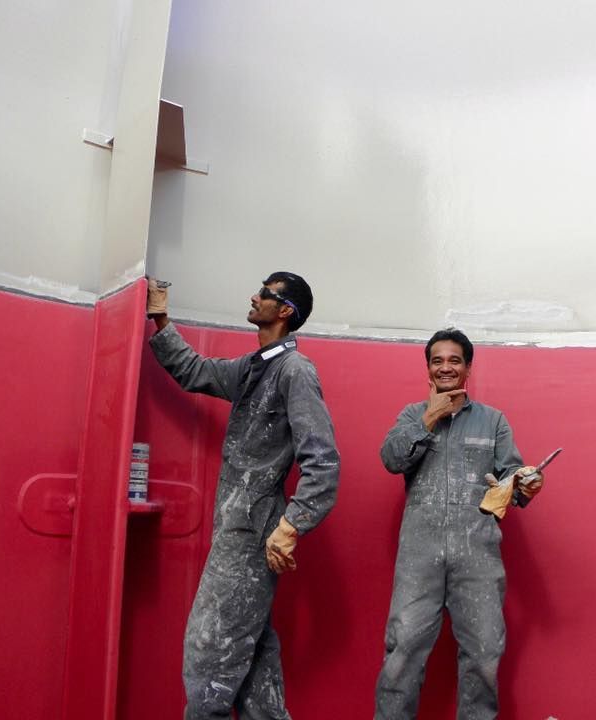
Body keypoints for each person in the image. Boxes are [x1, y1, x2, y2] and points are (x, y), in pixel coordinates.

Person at [146, 272, 340, 720]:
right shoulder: (256, 367)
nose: (254, 297)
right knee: (254, 672)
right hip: (239, 530)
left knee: (209, 652)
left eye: (265, 294)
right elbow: (194, 371)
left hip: (253, 536)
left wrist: (290, 527)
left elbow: (324, 463)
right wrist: (161, 321)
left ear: (285, 311)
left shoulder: (295, 371)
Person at [374, 328, 546, 720]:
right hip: (420, 555)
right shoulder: (411, 416)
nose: (446, 367)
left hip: (478, 554)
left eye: (454, 360)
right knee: (402, 651)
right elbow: (390, 458)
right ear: (429, 370)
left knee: (484, 654)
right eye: (438, 361)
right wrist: (430, 416)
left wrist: (527, 484)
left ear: (467, 368)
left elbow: (513, 482)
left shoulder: (493, 421)